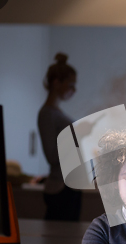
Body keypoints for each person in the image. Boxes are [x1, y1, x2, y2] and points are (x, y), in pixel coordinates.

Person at [37, 53, 81, 221]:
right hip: (60, 188)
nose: (73, 90)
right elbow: (51, 156)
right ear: (56, 83)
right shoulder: (47, 114)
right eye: (70, 85)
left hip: (69, 186)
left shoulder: (55, 113)